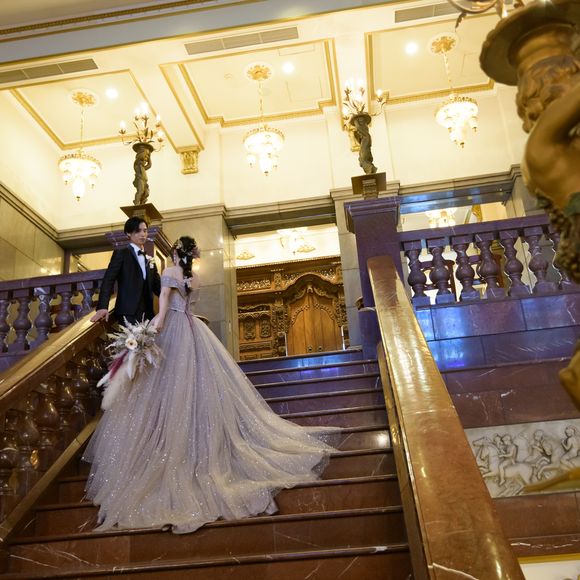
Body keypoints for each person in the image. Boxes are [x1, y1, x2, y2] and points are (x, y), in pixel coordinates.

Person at [83, 236, 339, 534]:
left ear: (174, 253)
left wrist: (155, 326)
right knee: (194, 386)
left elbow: (164, 301)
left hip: (173, 328)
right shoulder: (194, 278)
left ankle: (171, 444)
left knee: (169, 387)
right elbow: (189, 303)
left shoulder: (171, 272)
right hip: (193, 328)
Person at [91, 216, 161, 326]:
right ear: (128, 233)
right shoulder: (121, 253)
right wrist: (102, 307)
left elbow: (158, 286)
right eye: (138, 231)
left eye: (145, 231)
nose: (143, 234)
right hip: (128, 312)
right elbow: (108, 280)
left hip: (148, 313)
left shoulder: (149, 258)